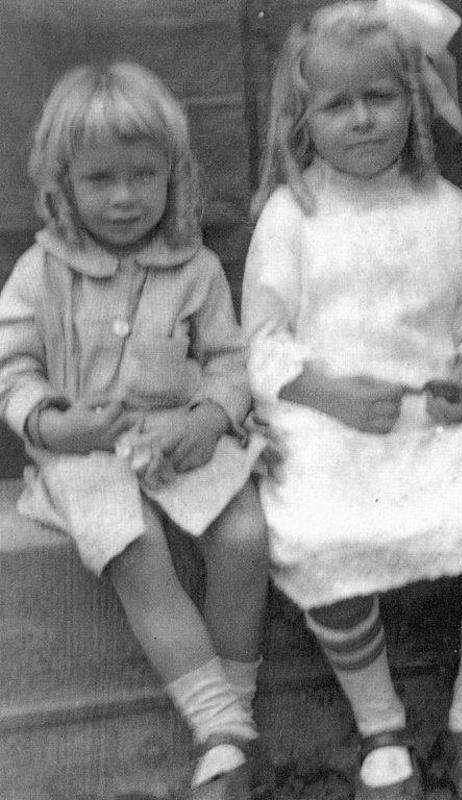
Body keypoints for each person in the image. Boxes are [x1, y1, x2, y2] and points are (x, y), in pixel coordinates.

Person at [241, 2, 462, 799]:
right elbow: (262, 342)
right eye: (336, 105)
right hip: (331, 425)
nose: (361, 119)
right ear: (304, 119)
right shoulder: (292, 215)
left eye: (379, 97)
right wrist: (328, 393)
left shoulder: (443, 208)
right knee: (316, 529)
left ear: (413, 100)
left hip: (436, 422)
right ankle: (380, 726)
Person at [0, 61, 270, 800]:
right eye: (100, 179)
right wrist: (54, 422)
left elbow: (229, 360)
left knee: (245, 535)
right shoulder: (40, 271)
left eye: (144, 175)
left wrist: (210, 417)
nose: (125, 197)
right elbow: (11, 368)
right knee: (133, 544)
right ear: (61, 185)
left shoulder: (195, 267)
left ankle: (232, 729)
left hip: (183, 438)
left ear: (173, 176)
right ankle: (223, 730)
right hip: (83, 451)